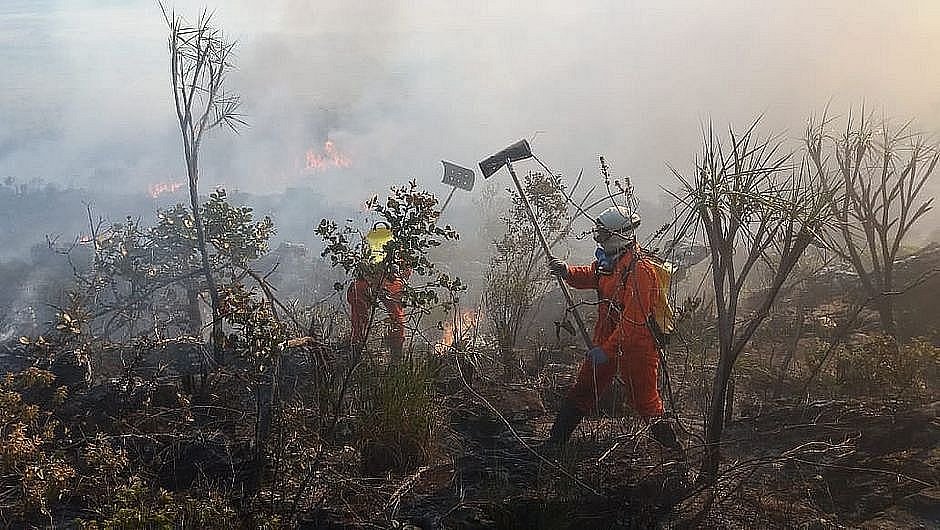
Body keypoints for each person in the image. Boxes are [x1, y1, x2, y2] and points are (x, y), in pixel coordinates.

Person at [544, 205, 680, 450]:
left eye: (602, 235)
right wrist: (567, 271)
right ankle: (555, 443)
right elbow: (592, 276)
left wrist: (605, 351)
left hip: (637, 349)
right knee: (584, 389)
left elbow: (633, 325)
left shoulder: (641, 272)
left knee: (646, 403)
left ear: (619, 236)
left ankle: (674, 453)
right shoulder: (611, 262)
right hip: (608, 342)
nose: (598, 239)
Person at [347, 222, 410, 357]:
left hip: (379, 279)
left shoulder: (371, 242)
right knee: (395, 315)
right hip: (382, 280)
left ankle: (357, 347)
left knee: (393, 314)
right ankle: (394, 352)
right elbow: (406, 270)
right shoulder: (398, 245)